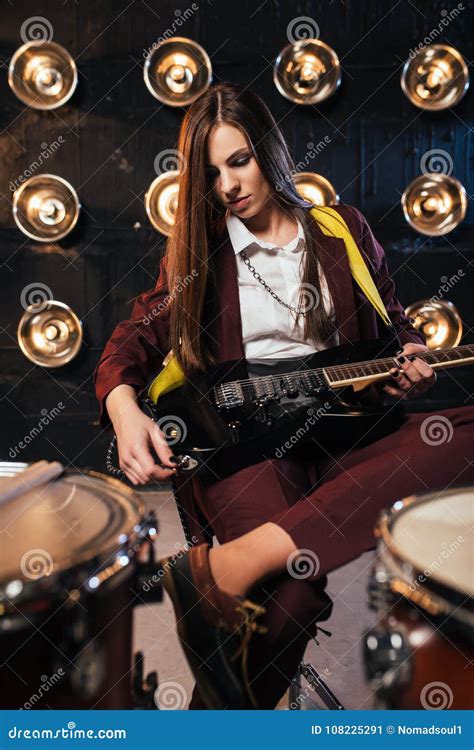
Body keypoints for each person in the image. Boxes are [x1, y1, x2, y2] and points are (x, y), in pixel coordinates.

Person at [93, 81, 474, 710]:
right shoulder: (201, 255)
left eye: (239, 161)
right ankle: (224, 714)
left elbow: (395, 321)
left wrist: (408, 353)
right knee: (293, 591)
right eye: (210, 174)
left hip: (351, 426)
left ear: (268, 151)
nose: (228, 187)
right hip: (251, 446)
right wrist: (124, 408)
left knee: (462, 432)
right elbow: (129, 342)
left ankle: (236, 561)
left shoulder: (340, 228)